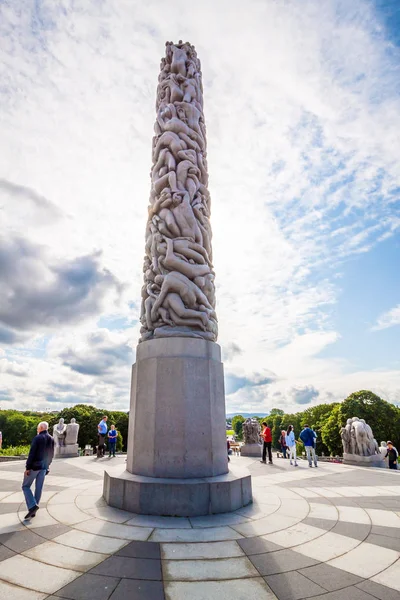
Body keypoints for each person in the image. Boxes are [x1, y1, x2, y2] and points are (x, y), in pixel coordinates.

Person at [22, 421, 54, 519]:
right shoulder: (51, 439)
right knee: (38, 488)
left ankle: (32, 506)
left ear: (41, 428)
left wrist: (28, 467)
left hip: (35, 467)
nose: (37, 429)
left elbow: (32, 453)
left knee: (25, 486)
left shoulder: (38, 438)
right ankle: (33, 510)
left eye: (37, 428)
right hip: (44, 467)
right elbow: (51, 454)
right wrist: (47, 465)